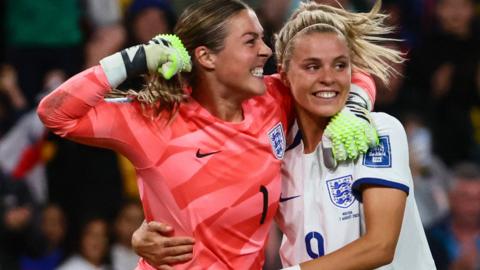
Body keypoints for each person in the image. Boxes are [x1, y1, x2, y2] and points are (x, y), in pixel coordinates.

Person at [37, 0, 377, 268]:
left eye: (261, 38)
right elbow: (55, 113)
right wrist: (135, 58)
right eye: (250, 41)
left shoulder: (272, 99)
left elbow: (352, 73)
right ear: (206, 56)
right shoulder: (153, 119)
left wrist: (355, 109)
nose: (266, 50)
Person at [131, 1, 435, 269]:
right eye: (312, 66)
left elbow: (380, 246)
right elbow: (211, 205)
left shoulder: (376, 130)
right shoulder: (276, 152)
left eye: (340, 66)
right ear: (284, 76)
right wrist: (146, 234)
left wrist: (355, 106)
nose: (328, 77)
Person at [426, 162, 480, 270]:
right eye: (465, 198)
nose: (473, 206)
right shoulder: (430, 237)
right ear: (451, 198)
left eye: (478, 198)